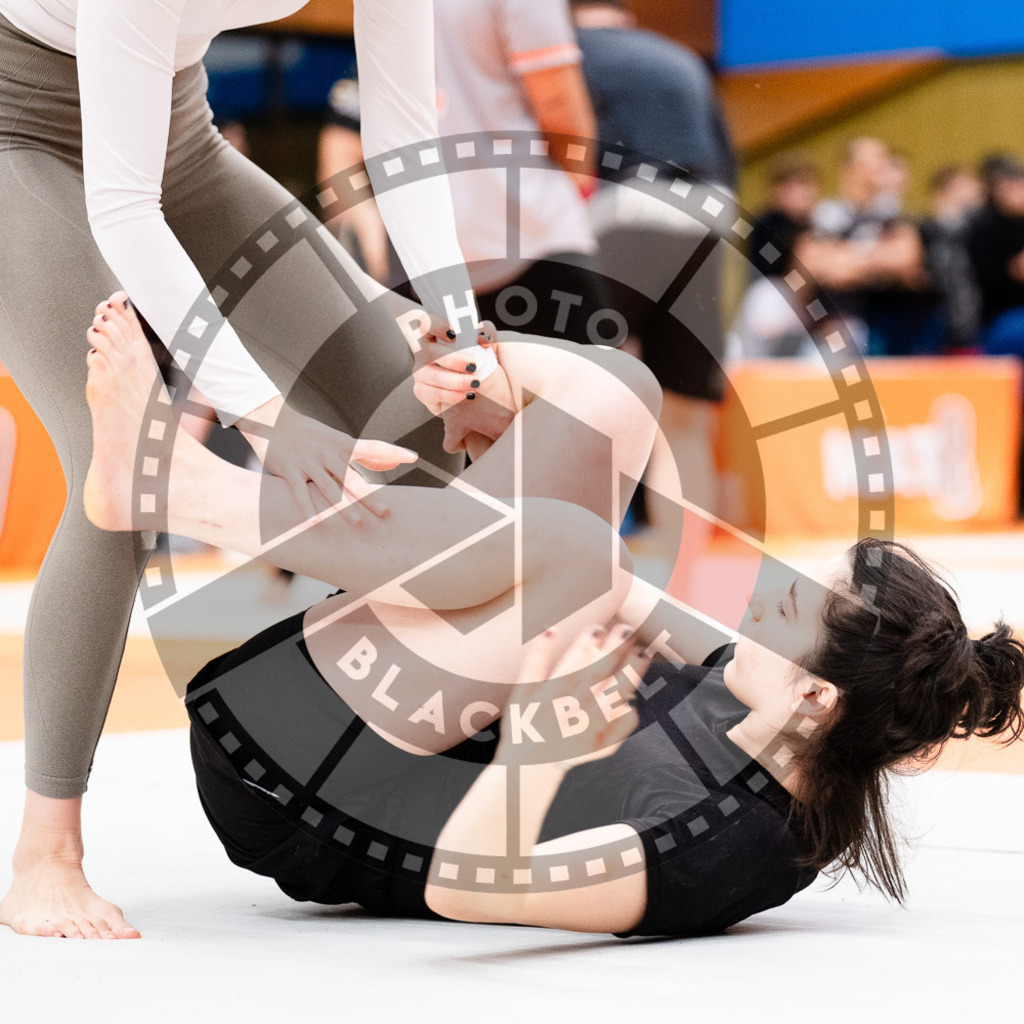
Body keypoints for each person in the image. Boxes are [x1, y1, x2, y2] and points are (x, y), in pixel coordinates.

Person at [81, 295, 1024, 936]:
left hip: (289, 791)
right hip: (349, 707)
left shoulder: (713, 849)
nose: (756, 590)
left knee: (574, 552)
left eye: (785, 602)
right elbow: (603, 584)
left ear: (817, 698)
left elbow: (466, 887)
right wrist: (501, 396)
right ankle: (464, 372)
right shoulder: (781, 699)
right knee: (625, 396)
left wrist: (538, 745)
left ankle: (174, 487)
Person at [0, 0, 489, 940]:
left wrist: (460, 335)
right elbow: (121, 210)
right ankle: (44, 852)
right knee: (129, 469)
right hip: (18, 137)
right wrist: (265, 416)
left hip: (181, 144)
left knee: (419, 418)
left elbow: (404, 133)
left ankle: (406, 758)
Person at [570, 0, 737, 594]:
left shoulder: (571, 53)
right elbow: (727, 157)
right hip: (706, 219)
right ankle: (687, 584)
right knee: (687, 418)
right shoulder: (681, 60)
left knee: (589, 399)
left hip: (622, 210)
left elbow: (560, 138)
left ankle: (581, 577)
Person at [319, 0, 606, 344]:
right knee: (584, 390)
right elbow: (560, 111)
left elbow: (340, 141)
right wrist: (581, 190)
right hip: (532, 237)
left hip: (431, 265)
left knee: (454, 394)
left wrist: (371, 241)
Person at [920, 164, 983, 353]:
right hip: (936, 314)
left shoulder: (977, 224)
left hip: (969, 315)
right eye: (965, 185)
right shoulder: (930, 227)